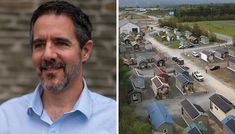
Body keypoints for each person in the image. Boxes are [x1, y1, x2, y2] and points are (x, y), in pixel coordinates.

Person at [0, 1, 116, 134]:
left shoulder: (112, 119)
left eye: (61, 43)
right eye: (39, 44)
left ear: (85, 51)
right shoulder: (6, 118)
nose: (47, 55)